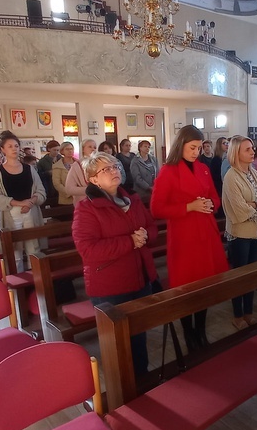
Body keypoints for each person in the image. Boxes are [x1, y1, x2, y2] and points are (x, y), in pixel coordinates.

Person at [72, 151, 157, 375]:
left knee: (138, 334)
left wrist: (145, 236)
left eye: (116, 166)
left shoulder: (133, 199)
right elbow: (88, 251)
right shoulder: (86, 208)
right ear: (93, 179)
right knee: (118, 343)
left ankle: (142, 379)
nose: (114, 171)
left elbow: (152, 227)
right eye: (106, 169)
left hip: (140, 276)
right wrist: (130, 241)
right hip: (110, 284)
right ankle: (125, 390)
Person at [151, 125, 229, 350]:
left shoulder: (203, 168)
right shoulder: (169, 170)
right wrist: (189, 206)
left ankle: (200, 330)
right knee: (186, 287)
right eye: (192, 147)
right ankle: (188, 332)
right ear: (181, 145)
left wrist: (210, 204)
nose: (196, 152)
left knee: (204, 286)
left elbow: (215, 197)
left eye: (199, 147)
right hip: (184, 235)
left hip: (205, 232)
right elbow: (157, 209)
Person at [222, 135, 257, 330]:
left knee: (252, 275)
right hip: (240, 234)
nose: (253, 151)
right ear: (236, 153)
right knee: (240, 276)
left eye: (252, 148)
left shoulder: (252, 173)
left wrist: (255, 205)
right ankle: (237, 314)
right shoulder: (231, 176)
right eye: (247, 149)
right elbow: (240, 211)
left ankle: (248, 311)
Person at [0, 131, 46, 271]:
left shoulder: (29, 168)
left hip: (31, 211)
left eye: (16, 145)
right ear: (2, 149)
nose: (14, 149)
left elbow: (41, 191)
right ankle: (17, 288)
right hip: (11, 213)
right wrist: (20, 203)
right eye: (10, 146)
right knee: (15, 253)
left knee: (34, 249)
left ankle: (37, 284)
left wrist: (30, 202)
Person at [65, 139, 97, 206]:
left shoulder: (100, 164)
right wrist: (90, 190)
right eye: (90, 147)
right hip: (83, 204)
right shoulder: (76, 165)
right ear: (83, 149)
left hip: (99, 201)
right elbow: (69, 189)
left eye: (95, 147)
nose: (93, 149)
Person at [130, 139, 159, 204]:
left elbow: (158, 173)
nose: (147, 148)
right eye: (145, 146)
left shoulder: (153, 159)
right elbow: (137, 177)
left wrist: (156, 185)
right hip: (142, 191)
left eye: (148, 147)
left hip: (154, 189)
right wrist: (148, 187)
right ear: (140, 148)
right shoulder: (135, 161)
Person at [37, 140, 60, 205]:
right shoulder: (42, 162)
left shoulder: (61, 159)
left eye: (58, 150)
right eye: (54, 150)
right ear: (49, 149)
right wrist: (48, 173)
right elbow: (38, 176)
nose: (56, 152)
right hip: (50, 188)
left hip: (61, 188)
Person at [52, 141, 75, 205]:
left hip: (79, 198)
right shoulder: (57, 166)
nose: (70, 151)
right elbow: (57, 184)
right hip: (66, 199)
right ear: (62, 151)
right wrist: (69, 192)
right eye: (67, 149)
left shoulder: (79, 163)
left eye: (71, 149)